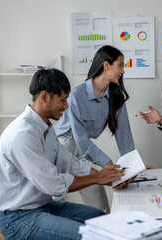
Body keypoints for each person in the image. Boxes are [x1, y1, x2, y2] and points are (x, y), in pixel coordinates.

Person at [0, 68, 125, 240]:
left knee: (102, 219)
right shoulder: (23, 135)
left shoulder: (46, 128)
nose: (66, 106)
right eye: (62, 100)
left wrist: (107, 177)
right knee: (91, 236)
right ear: (44, 96)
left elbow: (71, 163)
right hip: (18, 218)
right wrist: (97, 178)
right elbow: (53, 185)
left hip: (44, 206)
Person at [54, 45, 136, 212]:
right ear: (106, 65)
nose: (123, 70)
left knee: (100, 204)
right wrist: (109, 165)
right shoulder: (77, 93)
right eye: (120, 65)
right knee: (55, 200)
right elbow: (81, 139)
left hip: (82, 151)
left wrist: (133, 166)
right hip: (61, 147)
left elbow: (124, 134)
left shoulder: (115, 96)